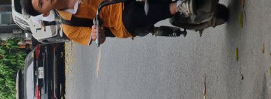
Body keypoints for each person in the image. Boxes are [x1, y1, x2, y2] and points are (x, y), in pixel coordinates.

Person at [20, 0, 196, 46]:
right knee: (132, 17)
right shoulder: (69, 27)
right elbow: (98, 38)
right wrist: (97, 34)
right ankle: (179, 7)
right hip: (120, 21)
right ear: (45, 12)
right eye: (41, 3)